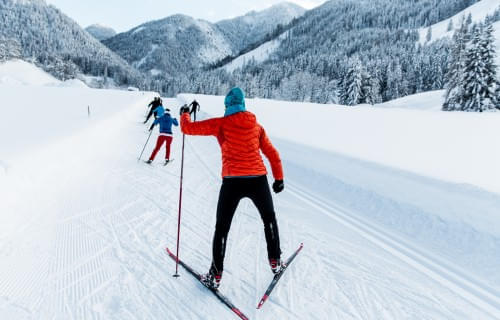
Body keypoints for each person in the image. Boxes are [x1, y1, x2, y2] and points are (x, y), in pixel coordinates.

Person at [179, 88, 285, 289]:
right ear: (243, 104)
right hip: (258, 180)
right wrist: (278, 178)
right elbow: (272, 153)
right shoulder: (257, 127)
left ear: (228, 106)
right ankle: (275, 261)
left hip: (232, 181)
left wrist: (185, 114)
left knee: (222, 227)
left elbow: (188, 129)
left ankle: (215, 274)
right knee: (269, 219)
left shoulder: (220, 124)